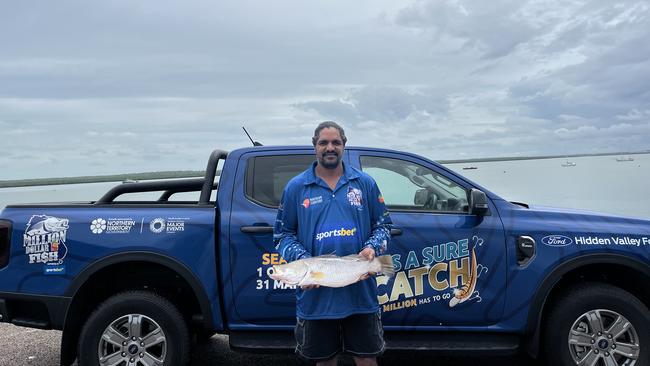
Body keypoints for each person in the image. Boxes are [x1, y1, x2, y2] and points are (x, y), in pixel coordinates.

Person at [274, 121, 392, 366]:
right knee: (324, 361)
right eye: (323, 143)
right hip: (316, 302)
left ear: (344, 146)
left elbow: (383, 225)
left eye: (335, 142)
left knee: (367, 359)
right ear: (314, 146)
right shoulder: (297, 187)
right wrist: (304, 263)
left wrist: (373, 248)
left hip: (361, 295)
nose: (330, 147)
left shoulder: (364, 183)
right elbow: (283, 235)